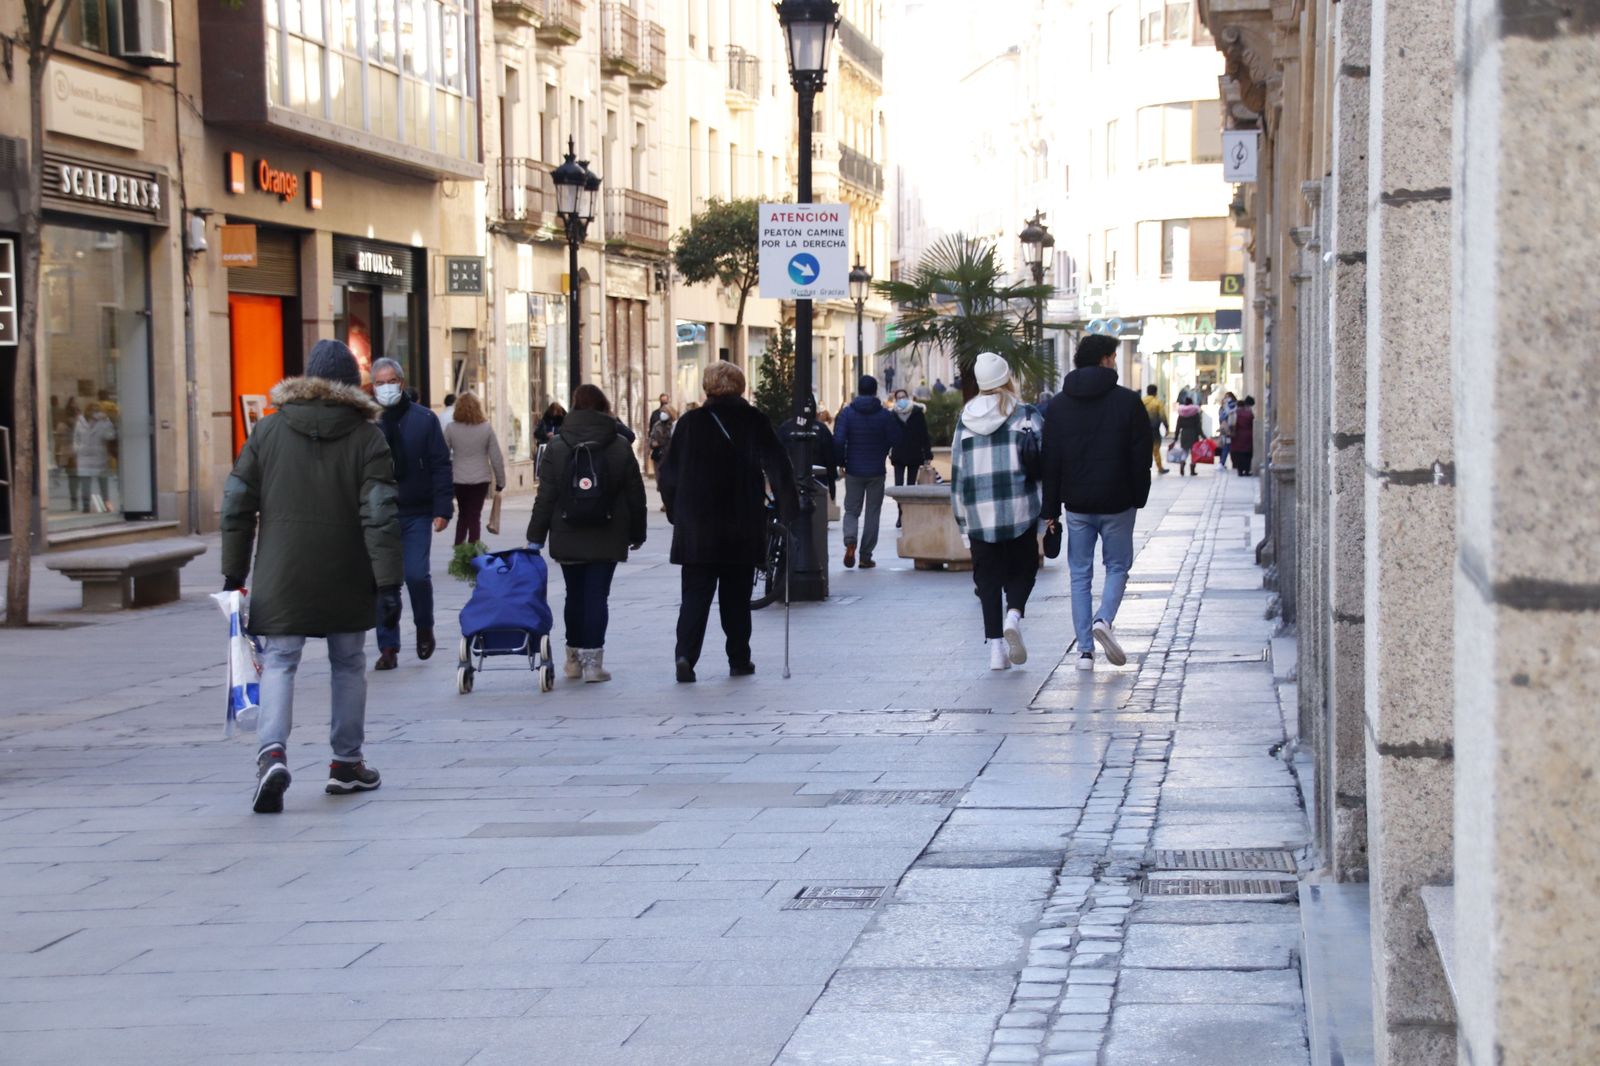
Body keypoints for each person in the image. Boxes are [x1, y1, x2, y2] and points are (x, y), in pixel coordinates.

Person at [221, 339, 403, 813]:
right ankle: (346, 763)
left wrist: (233, 572)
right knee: (348, 662)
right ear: (351, 384)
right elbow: (380, 515)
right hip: (346, 569)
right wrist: (388, 583)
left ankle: (271, 754)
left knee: (281, 661)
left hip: (282, 571)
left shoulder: (267, 431)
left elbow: (236, 504)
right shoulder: (368, 438)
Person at [658, 360, 796, 683]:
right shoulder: (754, 420)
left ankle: (685, 656)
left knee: (695, 596)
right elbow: (778, 464)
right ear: (741, 386)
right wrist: (789, 507)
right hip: (740, 523)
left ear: (707, 387)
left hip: (698, 528)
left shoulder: (690, 423)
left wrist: (676, 512)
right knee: (736, 598)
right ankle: (739, 659)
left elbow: (668, 473)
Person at [1041, 334, 1152, 673]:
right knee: (1117, 566)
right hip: (1118, 501)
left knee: (1080, 574)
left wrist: (1050, 509)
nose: (1115, 362)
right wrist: (1138, 495)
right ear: (1104, 359)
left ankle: (1085, 653)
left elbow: (1051, 460)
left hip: (1077, 503)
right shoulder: (1128, 401)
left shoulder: (1059, 405)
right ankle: (1104, 619)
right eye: (1114, 356)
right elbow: (1141, 455)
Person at [526, 384, 647, 683]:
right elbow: (636, 494)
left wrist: (535, 537)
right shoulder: (619, 445)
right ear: (605, 407)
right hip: (608, 532)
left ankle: (573, 661)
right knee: (597, 596)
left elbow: (546, 497)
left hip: (568, 531)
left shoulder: (557, 446)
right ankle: (593, 663)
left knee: (574, 595)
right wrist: (637, 532)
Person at [951, 353, 1045, 672]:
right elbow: (1043, 461)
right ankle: (1013, 616)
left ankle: (996, 650)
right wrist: (1046, 510)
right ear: (1007, 379)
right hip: (1020, 509)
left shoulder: (965, 419)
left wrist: (963, 523)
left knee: (987, 581)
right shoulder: (1026, 415)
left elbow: (958, 475)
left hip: (979, 513)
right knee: (1024, 569)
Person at [370, 357, 453, 670]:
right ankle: (388, 646)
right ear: (372, 386)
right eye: (379, 383)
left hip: (416, 510)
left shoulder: (424, 419)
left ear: (401, 383)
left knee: (416, 575)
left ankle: (424, 626)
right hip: (379, 513)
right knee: (384, 582)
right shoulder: (368, 421)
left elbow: (440, 464)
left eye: (391, 381)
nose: (386, 387)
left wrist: (443, 507)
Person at [832, 375, 902, 569]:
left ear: (859, 390)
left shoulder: (847, 413)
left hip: (854, 469)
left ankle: (850, 541)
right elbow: (895, 438)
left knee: (851, 510)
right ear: (874, 391)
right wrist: (883, 450)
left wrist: (841, 461)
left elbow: (838, 440)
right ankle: (865, 556)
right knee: (873, 512)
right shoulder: (884, 415)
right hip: (876, 470)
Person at [443, 393, 505, 546]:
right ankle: (474, 551)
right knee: (474, 516)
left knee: (463, 515)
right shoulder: (486, 428)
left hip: (458, 478)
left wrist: (442, 479)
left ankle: (459, 550)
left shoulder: (451, 428)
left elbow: (442, 455)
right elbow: (496, 457)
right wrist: (500, 481)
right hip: (480, 479)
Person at [73, 401, 117, 512]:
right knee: (85, 483)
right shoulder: (80, 422)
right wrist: (78, 449)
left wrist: (107, 422)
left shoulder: (103, 422)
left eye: (96, 410)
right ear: (87, 411)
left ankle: (106, 503)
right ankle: (86, 505)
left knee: (103, 482)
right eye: (91, 410)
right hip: (84, 457)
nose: (93, 413)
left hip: (99, 456)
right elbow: (76, 438)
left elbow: (110, 436)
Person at [889, 388, 934, 487]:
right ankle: (900, 498)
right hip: (898, 454)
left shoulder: (917, 413)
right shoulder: (892, 415)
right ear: (896, 400)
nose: (902, 399)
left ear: (908, 398)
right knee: (898, 485)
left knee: (911, 485)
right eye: (899, 398)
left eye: (903, 397)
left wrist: (927, 454)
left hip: (914, 454)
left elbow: (924, 434)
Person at [1172, 395, 1205, 476]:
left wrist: (1176, 437)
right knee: (1194, 452)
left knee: (1185, 451)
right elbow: (1198, 426)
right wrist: (1203, 436)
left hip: (1184, 434)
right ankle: (1192, 470)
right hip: (1193, 434)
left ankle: (1182, 463)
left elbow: (1178, 427)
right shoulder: (1195, 413)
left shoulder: (1181, 413)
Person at [1143, 385, 1170, 475]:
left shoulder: (1141, 401)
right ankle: (1160, 467)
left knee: (1143, 448)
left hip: (1142, 429)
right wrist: (1166, 427)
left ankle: (1143, 467)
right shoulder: (1157, 402)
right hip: (1154, 429)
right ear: (1156, 392)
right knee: (1156, 449)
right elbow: (1162, 416)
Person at [647, 394, 675, 476]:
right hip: (659, 455)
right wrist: (652, 443)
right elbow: (651, 435)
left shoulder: (675, 424)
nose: (663, 414)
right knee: (660, 478)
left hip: (670, 455)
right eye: (662, 412)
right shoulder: (656, 423)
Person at [1232, 396, 1257, 476]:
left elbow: (1234, 424)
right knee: (1248, 454)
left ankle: (1240, 471)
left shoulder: (1237, 412)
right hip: (1248, 435)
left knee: (1239, 454)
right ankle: (1246, 470)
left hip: (1238, 435)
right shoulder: (1250, 413)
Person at [1216, 392, 1238, 469]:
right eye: (1226, 397)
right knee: (1226, 446)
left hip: (1229, 429)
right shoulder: (1224, 408)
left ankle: (1223, 462)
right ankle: (1222, 462)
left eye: (1228, 397)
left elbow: (1222, 418)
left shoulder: (1230, 406)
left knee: (1227, 446)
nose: (1227, 399)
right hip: (1227, 430)